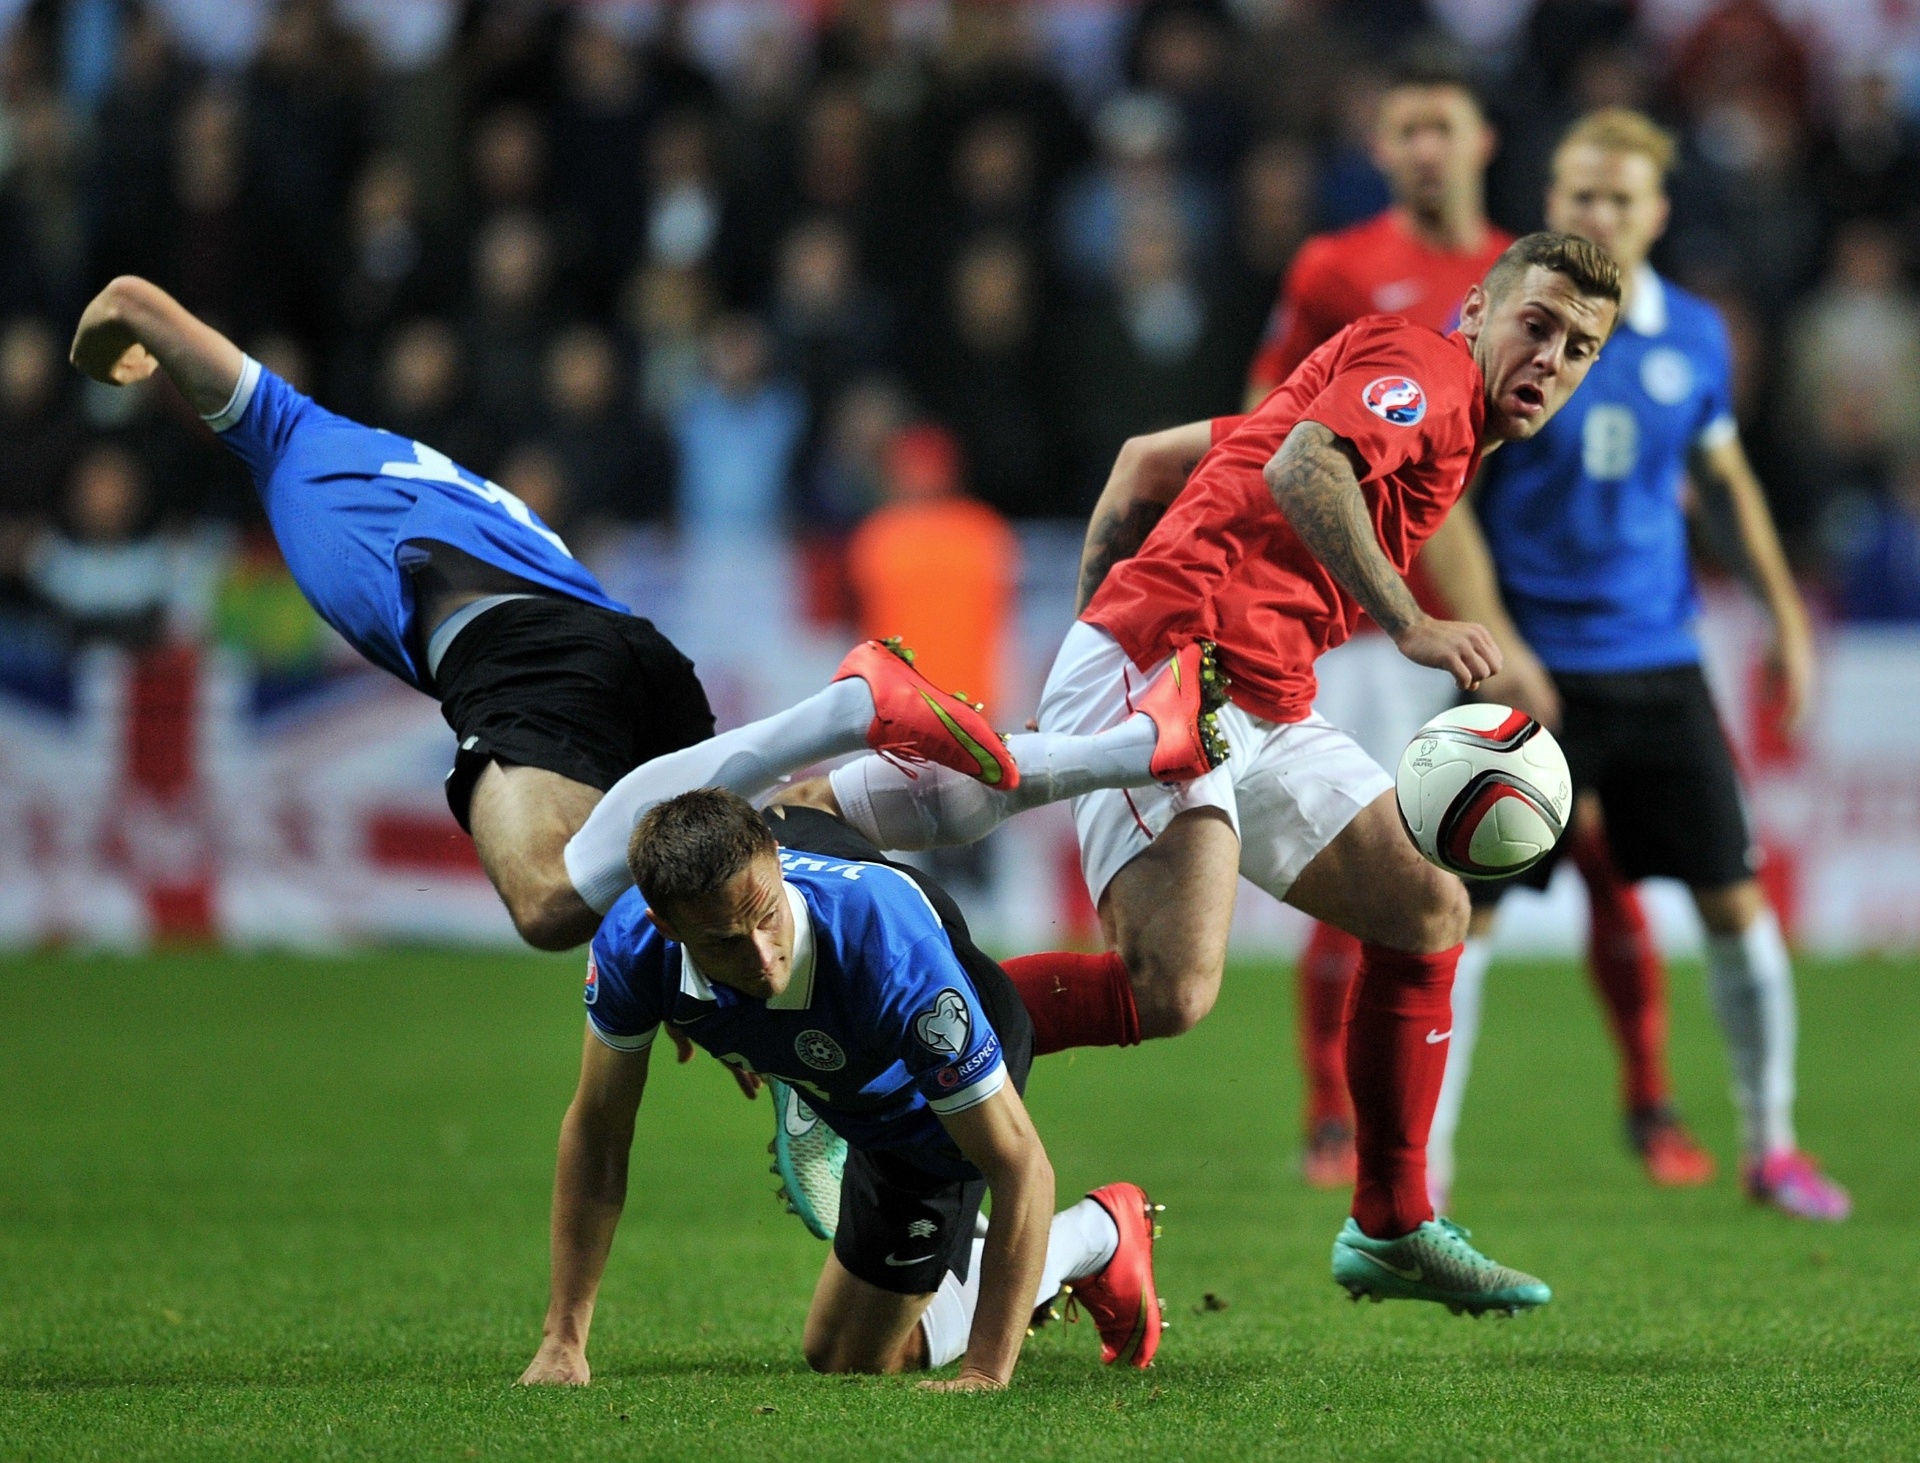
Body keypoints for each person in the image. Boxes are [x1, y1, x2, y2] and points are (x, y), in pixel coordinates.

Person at [788, 231, 1623, 1314]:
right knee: (1169, 984)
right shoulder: (1428, 375)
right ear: (1477, 311)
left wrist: (1096, 631)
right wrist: (1402, 620)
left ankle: (1392, 1222)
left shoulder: (1406, 396)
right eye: (1537, 323)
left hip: (1260, 693)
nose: (1551, 357)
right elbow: (1301, 466)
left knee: (1425, 905)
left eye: (1580, 347)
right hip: (1178, 669)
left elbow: (1146, 460)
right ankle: (863, 1045)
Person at [68, 276, 1225, 954]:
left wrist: (99, 351)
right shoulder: (375, 459)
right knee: (786, 841)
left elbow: (131, 301)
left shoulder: (287, 434)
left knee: (547, 899)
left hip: (518, 652)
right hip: (608, 648)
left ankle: (853, 703)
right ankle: (1141, 743)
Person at [1418, 110, 1850, 1222]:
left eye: (1616, 200)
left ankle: (1772, 1144)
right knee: (1459, 919)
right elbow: (1445, 502)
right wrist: (1498, 640)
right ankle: (1426, 1173)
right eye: (1575, 196)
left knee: (1736, 903)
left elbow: (1725, 481)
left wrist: (1786, 621)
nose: (1593, 216)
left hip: (1659, 665)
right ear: (1548, 198)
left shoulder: (1694, 336)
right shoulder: (1505, 324)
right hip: (1527, 671)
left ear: (1655, 214)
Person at [517, 789, 1163, 1390]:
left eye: (766, 916)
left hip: (919, 1092)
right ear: (667, 926)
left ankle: (1099, 1232)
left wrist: (985, 1374)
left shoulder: (889, 948)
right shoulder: (635, 943)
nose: (762, 956)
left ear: (777, 865)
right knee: (838, 1344)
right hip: (834, 1015)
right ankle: (799, 1075)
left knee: (850, 1357)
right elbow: (598, 1131)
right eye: (723, 941)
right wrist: (562, 1339)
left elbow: (1021, 1165)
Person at [1239, 53, 1531, 1188]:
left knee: (1439, 868)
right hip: (1364, 618)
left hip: (1469, 622)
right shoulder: (1337, 265)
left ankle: (1415, 1127)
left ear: (1480, 139)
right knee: (1361, 852)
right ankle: (1331, 1110)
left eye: (1440, 126)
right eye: (1403, 128)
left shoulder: (1519, 278)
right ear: (1381, 148)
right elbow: (1274, 417)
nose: (1423, 147)